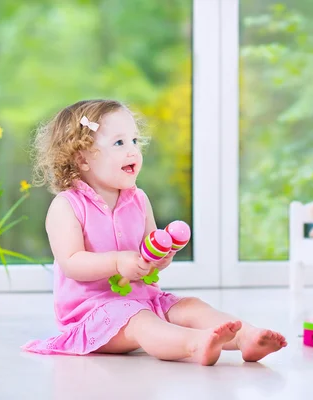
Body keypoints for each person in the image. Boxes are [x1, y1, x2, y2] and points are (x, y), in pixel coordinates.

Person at [22, 99, 287, 366]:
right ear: (82, 159)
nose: (132, 151)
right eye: (119, 143)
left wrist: (161, 257)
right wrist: (116, 262)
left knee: (189, 306)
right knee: (141, 322)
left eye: (135, 141)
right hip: (93, 314)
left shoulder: (138, 200)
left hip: (144, 299)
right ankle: (193, 344)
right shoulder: (67, 205)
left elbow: (149, 255)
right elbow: (71, 263)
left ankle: (246, 337)